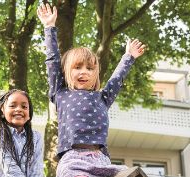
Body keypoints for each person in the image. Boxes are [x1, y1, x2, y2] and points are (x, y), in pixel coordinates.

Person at [37, 3, 146, 177]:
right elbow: (52, 61)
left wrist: (129, 57)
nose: (84, 72)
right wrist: (49, 27)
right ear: (65, 71)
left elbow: (116, 80)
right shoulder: (61, 93)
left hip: (101, 160)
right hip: (73, 161)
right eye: (77, 67)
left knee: (132, 173)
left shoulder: (102, 97)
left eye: (89, 68)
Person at [0, 89, 44, 177]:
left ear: (29, 115)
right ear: (2, 111)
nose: (19, 109)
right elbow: (9, 168)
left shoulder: (36, 137)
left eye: (24, 107)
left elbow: (37, 169)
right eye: (12, 106)